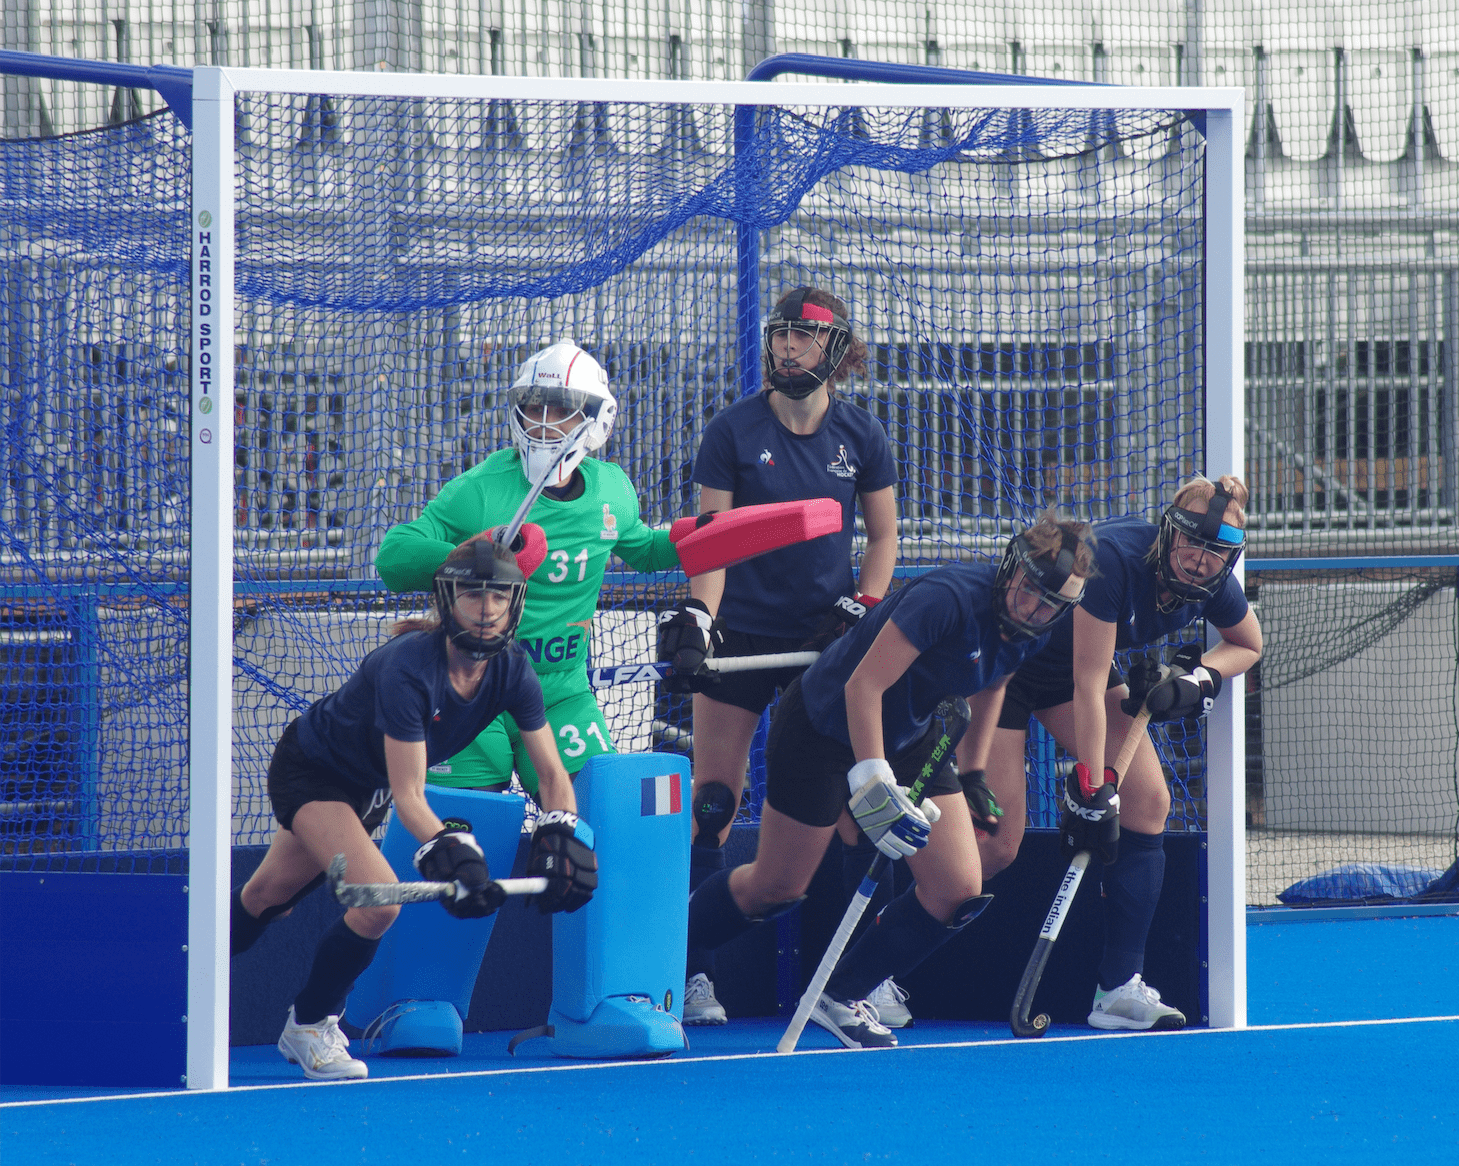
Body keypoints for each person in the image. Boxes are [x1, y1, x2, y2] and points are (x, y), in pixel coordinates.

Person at [684, 514, 1093, 1049]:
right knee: (778, 886)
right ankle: (667, 949)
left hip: (912, 736)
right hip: (821, 727)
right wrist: (872, 776)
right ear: (1012, 567)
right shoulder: (948, 597)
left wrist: (971, 771)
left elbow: (993, 682)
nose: (1032, 609)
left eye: (1050, 605)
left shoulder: (1034, 628)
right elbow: (863, 687)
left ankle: (841, 994)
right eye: (1030, 591)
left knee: (959, 889)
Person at [230, 542, 597, 1080]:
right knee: (379, 901)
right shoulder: (407, 668)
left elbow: (551, 775)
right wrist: (456, 851)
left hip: (367, 787)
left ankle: (172, 983)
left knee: (266, 899)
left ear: (517, 603)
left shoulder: (514, 669)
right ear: (447, 600)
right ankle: (308, 1025)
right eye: (473, 593)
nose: (487, 607)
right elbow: (411, 796)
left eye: (500, 594)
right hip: (314, 771)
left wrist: (564, 828)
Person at [657, 286, 897, 1027]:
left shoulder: (860, 435)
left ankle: (846, 981)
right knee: (713, 804)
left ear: (835, 349)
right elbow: (712, 542)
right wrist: (701, 616)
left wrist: (860, 605)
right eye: (780, 335)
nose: (788, 347)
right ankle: (692, 975)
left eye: (803, 337)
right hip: (742, 636)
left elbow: (883, 536)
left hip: (822, 642)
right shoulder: (732, 430)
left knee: (853, 812)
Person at [959, 475, 1263, 1031]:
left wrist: (1199, 680)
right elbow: (1089, 681)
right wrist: (1093, 785)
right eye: (1192, 543)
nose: (1199, 561)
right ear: (1168, 531)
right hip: (1006, 664)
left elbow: (1247, 643)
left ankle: (1117, 990)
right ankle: (877, 964)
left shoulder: (1215, 582)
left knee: (1149, 800)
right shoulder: (1114, 560)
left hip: (1068, 677)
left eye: (1216, 552)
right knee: (998, 840)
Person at [376, 339, 681, 798]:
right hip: (471, 686)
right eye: (534, 407)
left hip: (561, 693)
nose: (544, 423)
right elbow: (393, 558)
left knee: (604, 814)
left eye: (562, 410)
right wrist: (475, 557)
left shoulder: (613, 491)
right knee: (464, 833)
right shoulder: (480, 490)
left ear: (599, 419)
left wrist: (712, 535)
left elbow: (648, 551)